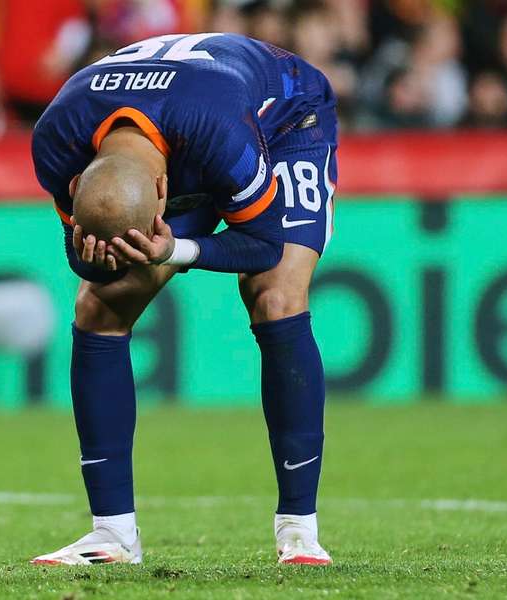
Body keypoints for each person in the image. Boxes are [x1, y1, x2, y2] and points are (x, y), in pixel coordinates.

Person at [30, 33, 337, 566]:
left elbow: (263, 247)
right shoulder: (57, 141)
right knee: (98, 306)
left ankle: (299, 530)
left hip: (283, 119)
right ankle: (112, 534)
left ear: (164, 191)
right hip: (179, 131)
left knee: (276, 295)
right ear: (77, 181)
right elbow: (82, 259)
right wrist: (103, 256)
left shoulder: (218, 130)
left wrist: (177, 248)